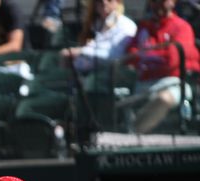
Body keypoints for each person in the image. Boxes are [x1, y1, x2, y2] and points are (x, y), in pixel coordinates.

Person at [125, 0, 200, 133]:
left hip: (175, 82)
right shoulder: (144, 27)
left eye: (163, 1)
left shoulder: (181, 26)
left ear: (172, 3)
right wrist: (156, 55)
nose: (158, 4)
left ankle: (132, 135)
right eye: (155, 1)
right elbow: (130, 55)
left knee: (163, 98)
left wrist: (145, 56)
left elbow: (172, 61)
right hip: (144, 83)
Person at [60, 0, 137, 74]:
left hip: (111, 78)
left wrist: (81, 51)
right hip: (89, 78)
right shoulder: (95, 25)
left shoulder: (126, 25)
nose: (104, 2)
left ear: (118, 1)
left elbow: (114, 56)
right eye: (99, 0)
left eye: (109, 0)